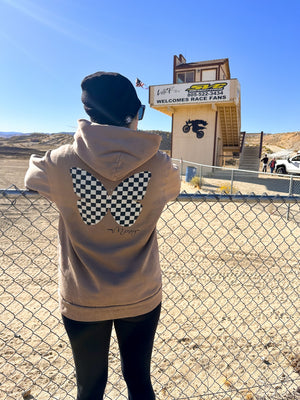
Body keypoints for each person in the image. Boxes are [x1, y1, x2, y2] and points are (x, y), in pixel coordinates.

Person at [24, 71, 181, 400]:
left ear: (89, 113)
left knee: (90, 386)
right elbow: (174, 188)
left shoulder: (58, 162)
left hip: (83, 297)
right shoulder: (162, 165)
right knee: (139, 381)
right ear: (130, 116)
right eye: (140, 113)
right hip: (141, 293)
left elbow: (31, 176)